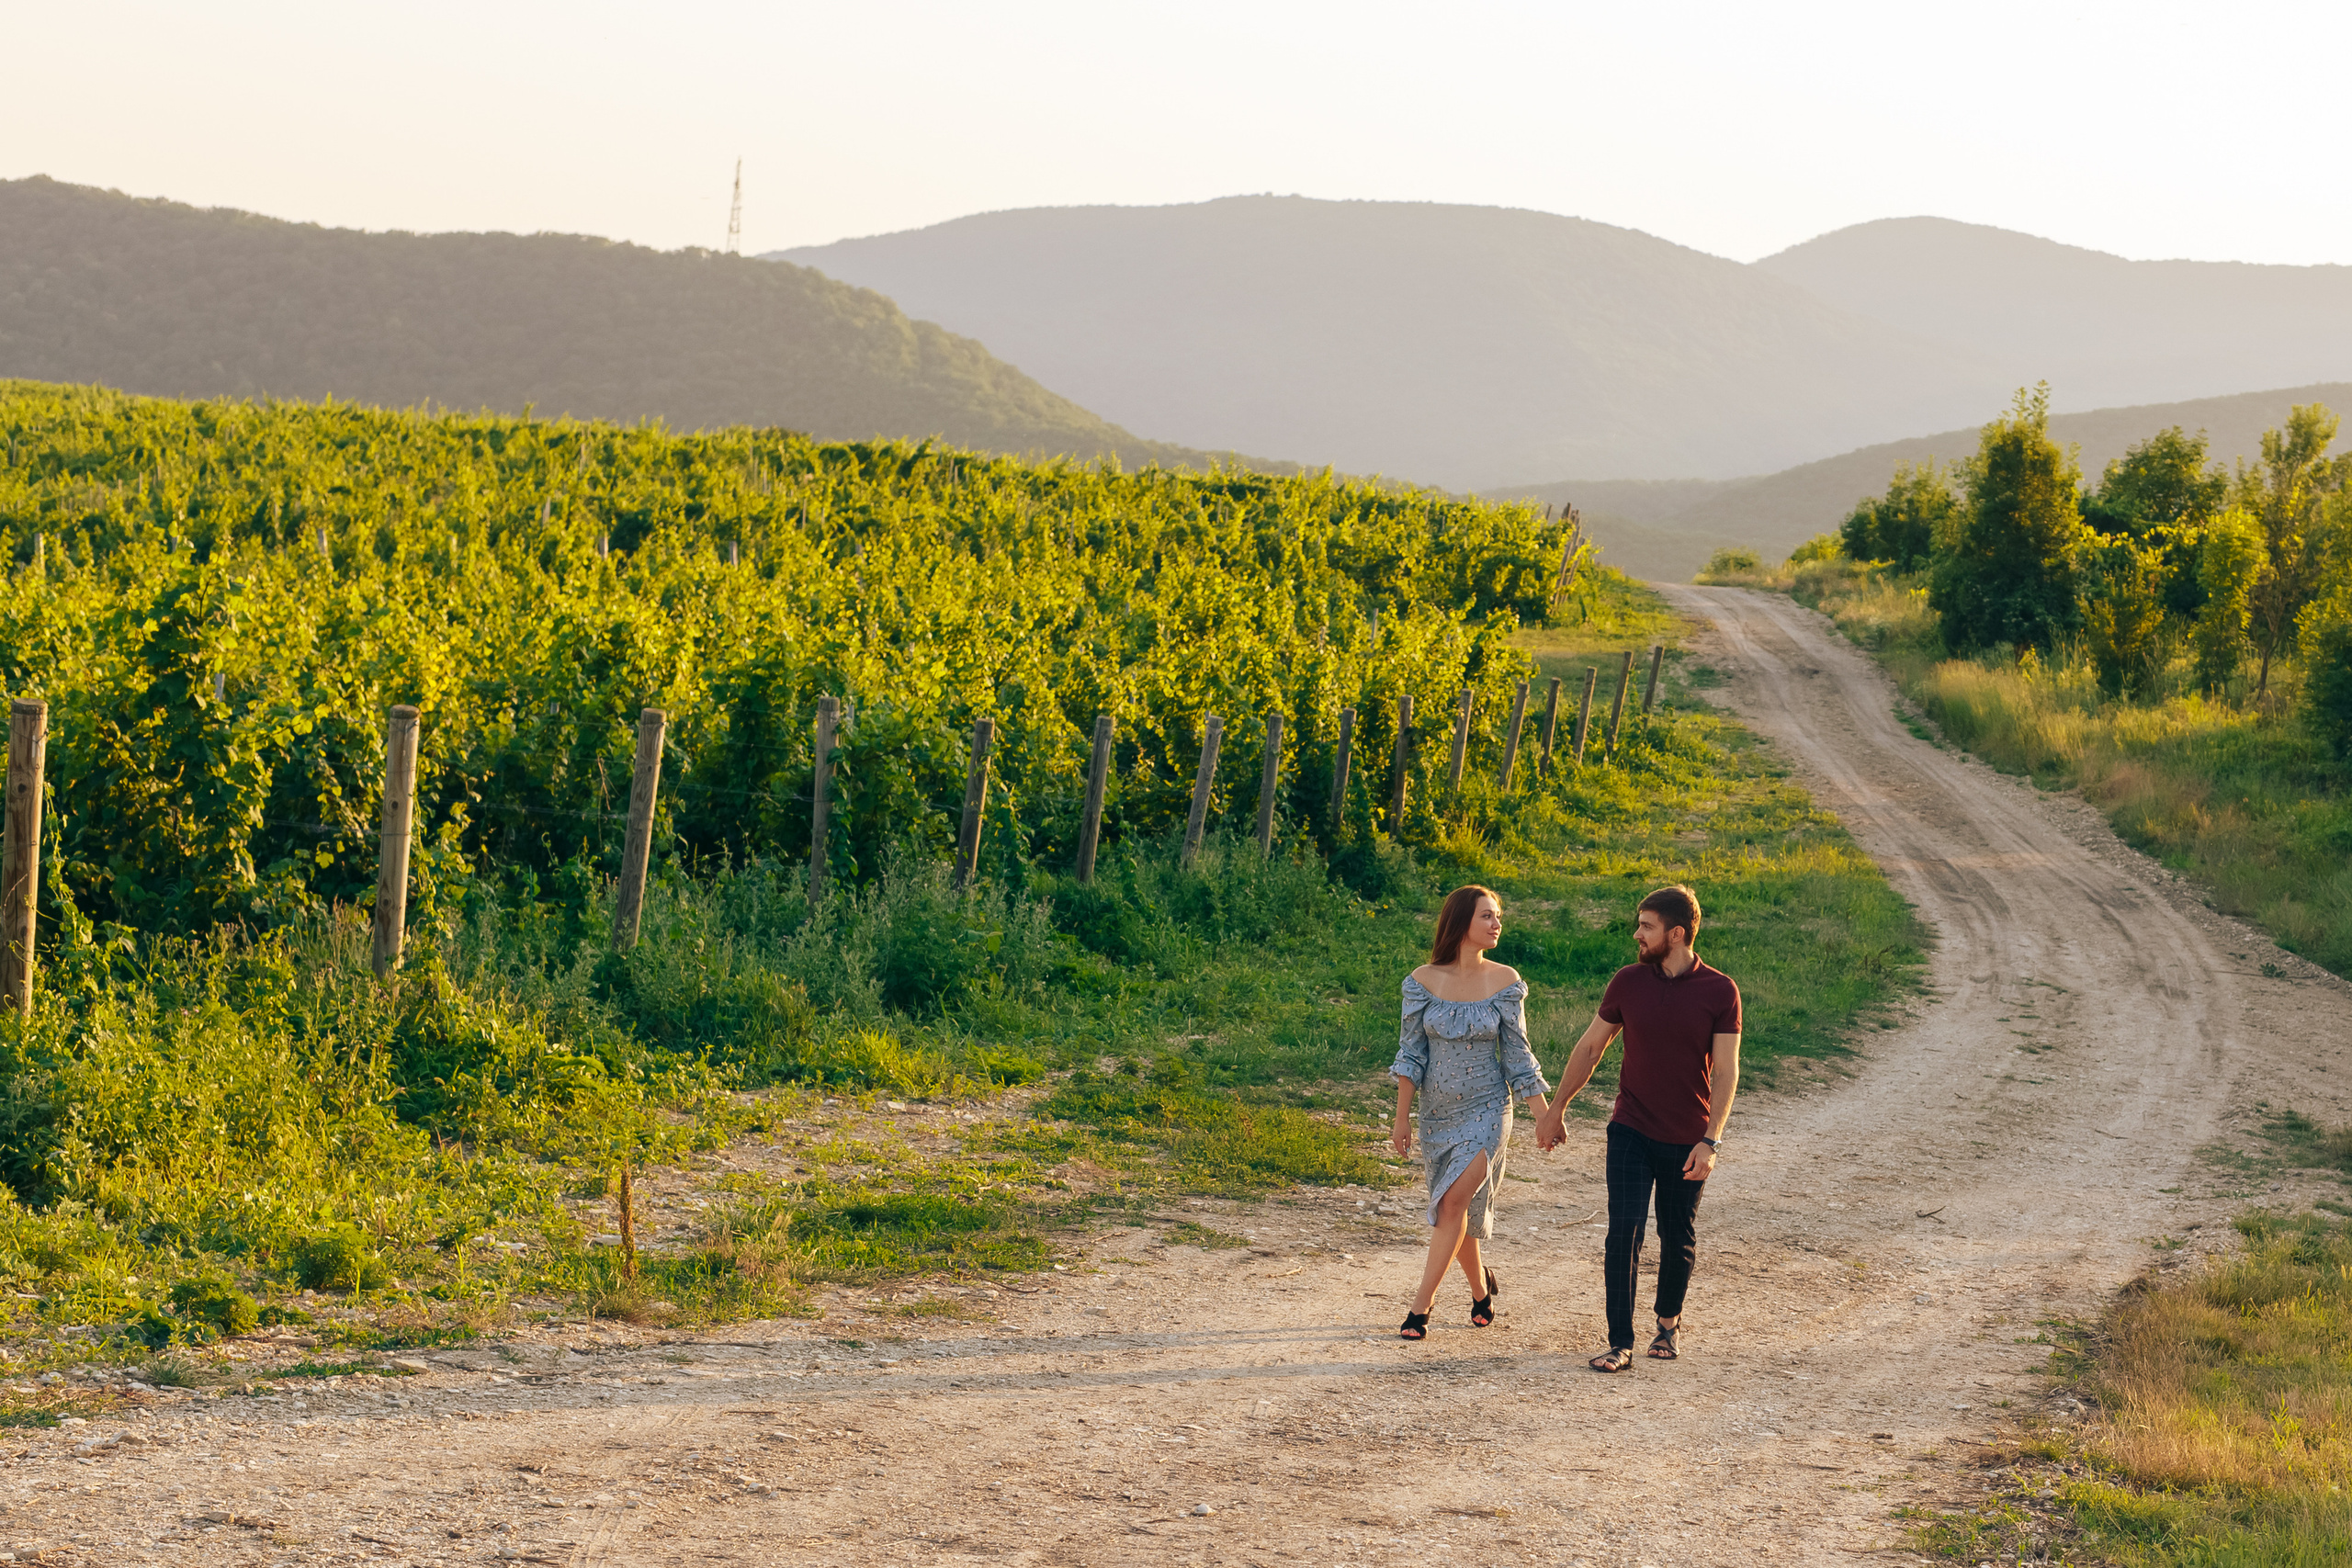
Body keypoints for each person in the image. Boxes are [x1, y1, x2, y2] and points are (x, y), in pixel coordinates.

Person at [1536, 884, 1740, 1372]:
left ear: (1676, 933)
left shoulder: (1719, 990)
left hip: (1688, 1136)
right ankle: (1620, 1342)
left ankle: (1667, 1325)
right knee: (1622, 1233)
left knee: (1677, 1234)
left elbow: (1728, 1070)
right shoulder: (1628, 981)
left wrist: (1710, 1140)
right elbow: (1590, 1048)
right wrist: (1556, 1108)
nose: (1637, 934)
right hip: (1630, 1128)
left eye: (1646, 926)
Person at [1390, 885, 1553, 1341]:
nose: (1497, 923)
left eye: (1498, 916)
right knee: (1453, 1212)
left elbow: (1519, 1057)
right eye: (1487, 916)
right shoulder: (1421, 982)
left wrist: (1542, 1115)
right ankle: (1481, 1293)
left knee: (1451, 1204)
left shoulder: (1504, 981)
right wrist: (1401, 1119)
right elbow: (1410, 1056)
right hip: (1436, 1116)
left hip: (1487, 1111)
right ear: (1462, 922)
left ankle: (1420, 1308)